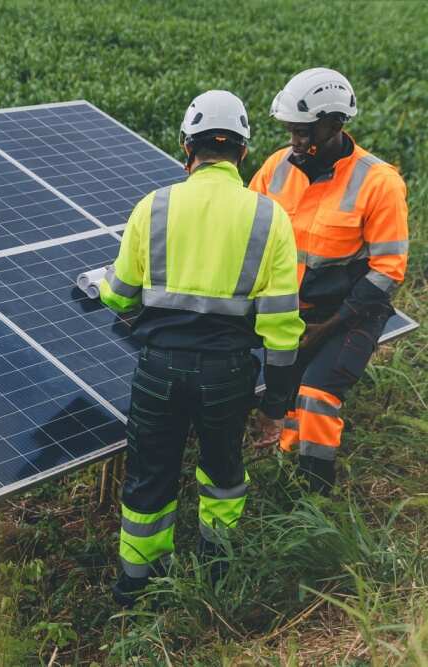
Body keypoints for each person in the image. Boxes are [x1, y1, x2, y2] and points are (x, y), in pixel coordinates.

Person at [97, 90, 305, 606]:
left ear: (186, 147)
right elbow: (282, 326)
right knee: (222, 469)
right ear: (243, 152)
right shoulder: (269, 218)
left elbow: (120, 295)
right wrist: (275, 405)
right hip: (228, 373)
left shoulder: (154, 206)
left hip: (158, 368)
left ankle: (135, 586)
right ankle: (217, 568)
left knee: (150, 475)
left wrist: (104, 284)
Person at [249, 68, 409, 494]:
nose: (294, 142)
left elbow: (388, 268)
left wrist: (329, 326)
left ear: (336, 124)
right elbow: (251, 230)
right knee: (284, 391)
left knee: (317, 394)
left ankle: (315, 497)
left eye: (303, 132)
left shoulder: (379, 182)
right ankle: (286, 460)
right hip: (293, 310)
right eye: (290, 131)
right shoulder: (276, 168)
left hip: (350, 314)